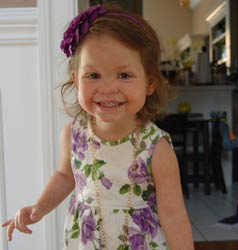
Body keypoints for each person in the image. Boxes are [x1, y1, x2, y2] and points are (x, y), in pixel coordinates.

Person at [2, 4, 194, 249]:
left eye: (124, 75)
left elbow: (174, 216)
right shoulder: (73, 134)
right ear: (75, 80)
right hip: (87, 240)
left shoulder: (156, 149)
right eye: (93, 76)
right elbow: (64, 176)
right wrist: (39, 206)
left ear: (149, 82)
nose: (107, 88)